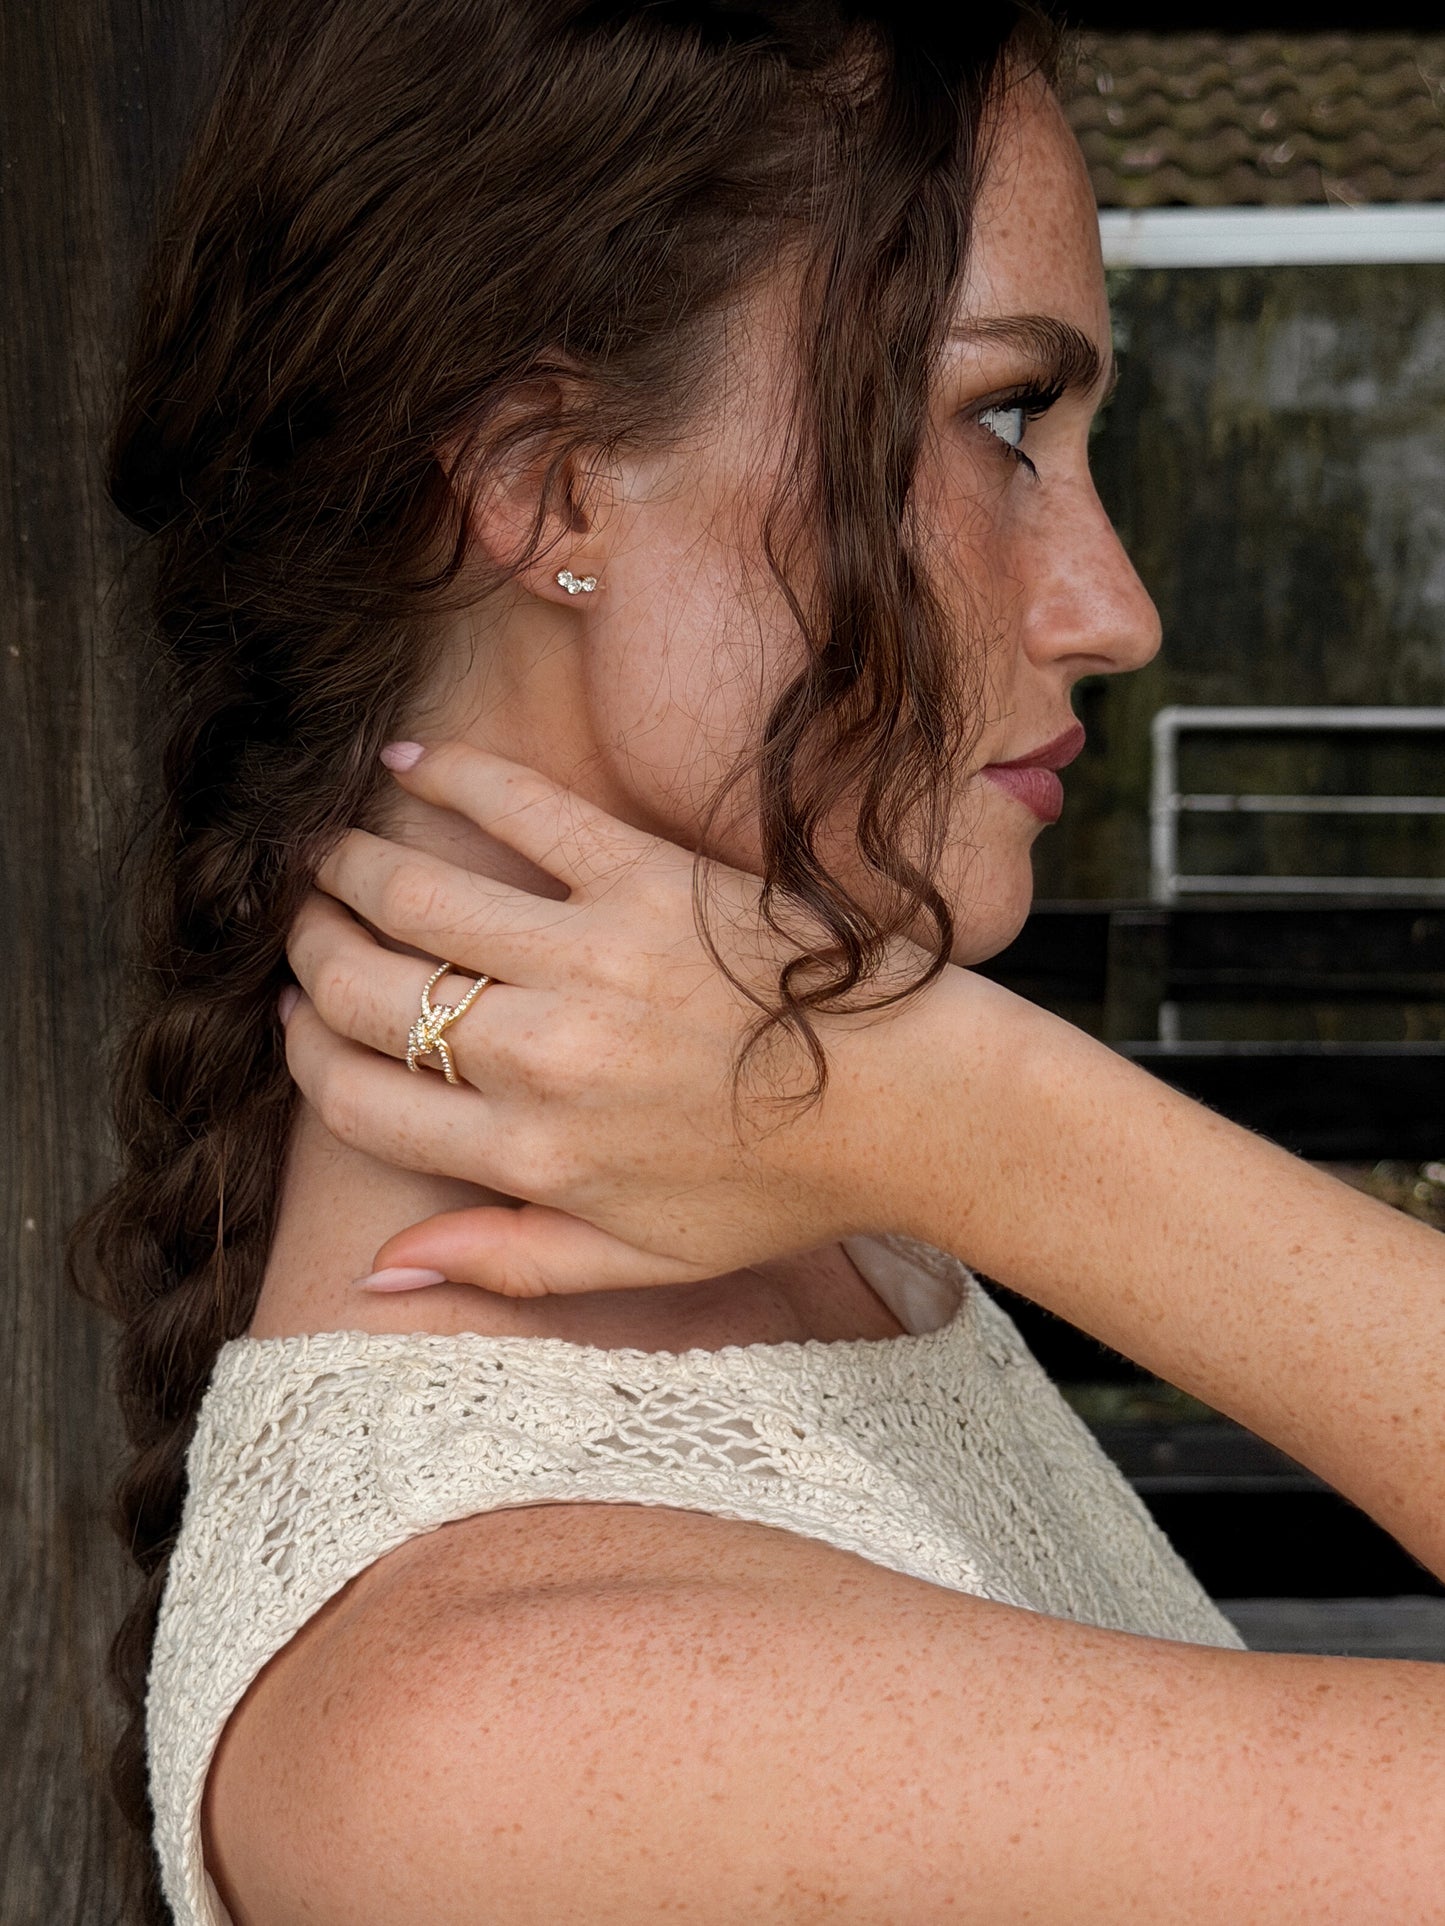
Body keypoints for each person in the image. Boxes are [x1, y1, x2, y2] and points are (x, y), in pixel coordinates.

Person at [74, 1, 1445, 1922]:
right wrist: (973, 1113)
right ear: (552, 492)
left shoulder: (827, 1250)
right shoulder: (493, 1731)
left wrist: (904, 1126)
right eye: (999, 421)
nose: (1113, 608)